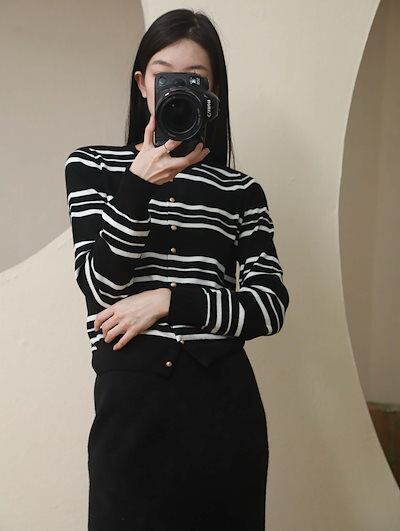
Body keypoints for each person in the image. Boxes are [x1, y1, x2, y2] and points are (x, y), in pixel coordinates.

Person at [65, 8, 290, 531]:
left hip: (224, 407)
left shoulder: (240, 191)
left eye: (195, 78)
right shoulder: (93, 168)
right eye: (164, 75)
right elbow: (100, 287)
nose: (177, 88)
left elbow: (270, 306)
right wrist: (138, 183)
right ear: (142, 84)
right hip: (131, 409)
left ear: (213, 94)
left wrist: (169, 300)